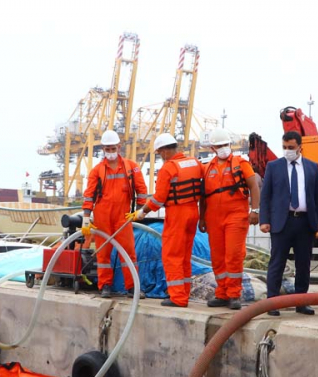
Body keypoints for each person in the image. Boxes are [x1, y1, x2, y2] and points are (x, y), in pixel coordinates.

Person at [128, 133, 203, 307]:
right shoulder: (194, 163)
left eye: (160, 153)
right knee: (185, 256)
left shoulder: (168, 168)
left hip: (177, 214)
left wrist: (142, 212)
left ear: (164, 150)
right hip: (193, 212)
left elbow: (158, 198)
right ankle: (184, 293)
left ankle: (177, 297)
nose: (161, 157)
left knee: (172, 256)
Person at [259, 130, 318, 317]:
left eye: (291, 148)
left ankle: (301, 301)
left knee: (303, 264)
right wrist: (264, 220)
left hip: (305, 222)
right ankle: (272, 302)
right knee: (277, 263)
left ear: (299, 147)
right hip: (282, 222)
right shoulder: (274, 167)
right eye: (284, 147)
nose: (287, 151)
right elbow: (266, 196)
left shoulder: (312, 167)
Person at [199, 128, 261, 310]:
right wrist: (202, 218)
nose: (223, 148)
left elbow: (254, 186)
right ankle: (222, 293)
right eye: (219, 146)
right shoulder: (207, 168)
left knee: (233, 256)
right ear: (212, 148)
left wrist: (255, 210)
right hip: (213, 218)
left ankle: (234, 294)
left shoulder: (241, 163)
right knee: (218, 258)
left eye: (225, 145)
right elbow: (204, 196)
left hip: (236, 215)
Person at [82, 130, 149, 298]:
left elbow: (142, 190)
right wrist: (85, 217)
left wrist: (140, 211)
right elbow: (89, 194)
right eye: (107, 149)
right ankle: (105, 285)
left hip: (123, 216)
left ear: (119, 147)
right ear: (103, 149)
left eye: (113, 148)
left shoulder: (131, 167)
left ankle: (133, 287)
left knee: (128, 253)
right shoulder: (97, 171)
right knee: (103, 252)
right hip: (102, 217)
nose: (110, 152)